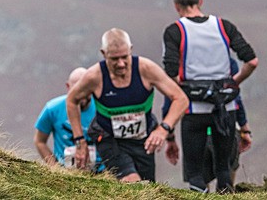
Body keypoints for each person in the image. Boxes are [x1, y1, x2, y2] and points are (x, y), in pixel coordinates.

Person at [162, 0, 258, 193]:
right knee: (223, 170)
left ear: (177, 6)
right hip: (225, 109)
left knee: (195, 173)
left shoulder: (175, 31)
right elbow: (251, 61)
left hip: (193, 110)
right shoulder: (223, 26)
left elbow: (170, 75)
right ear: (201, 1)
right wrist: (234, 82)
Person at [67, 28, 188, 182]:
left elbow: (181, 99)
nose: (121, 64)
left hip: (142, 139)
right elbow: (71, 100)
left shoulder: (146, 69)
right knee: (132, 182)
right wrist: (80, 141)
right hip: (108, 137)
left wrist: (163, 129)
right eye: (114, 59)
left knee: (147, 188)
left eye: (125, 57)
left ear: (131, 50)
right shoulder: (94, 76)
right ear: (104, 54)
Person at [164, 57, 253, 189]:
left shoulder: (180, 65)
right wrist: (244, 129)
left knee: (198, 178)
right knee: (226, 174)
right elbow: (235, 98)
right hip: (224, 124)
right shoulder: (227, 62)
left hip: (194, 126)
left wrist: (170, 136)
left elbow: (169, 102)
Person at [34, 67, 100, 169]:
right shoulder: (52, 108)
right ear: (68, 86)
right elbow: (39, 141)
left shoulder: (103, 107)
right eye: (76, 88)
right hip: (66, 172)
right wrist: (56, 168)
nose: (80, 94)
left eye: (85, 88)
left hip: (103, 173)